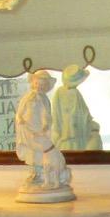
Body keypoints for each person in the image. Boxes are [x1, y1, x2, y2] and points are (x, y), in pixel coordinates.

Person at [13, 68, 71, 199]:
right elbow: (20, 112)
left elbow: (46, 114)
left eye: (43, 84)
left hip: (39, 128)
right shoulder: (27, 97)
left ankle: (43, 174)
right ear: (33, 83)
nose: (39, 86)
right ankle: (35, 173)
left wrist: (45, 125)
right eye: (37, 83)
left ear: (46, 87)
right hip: (27, 127)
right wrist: (20, 119)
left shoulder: (44, 99)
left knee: (42, 150)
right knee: (31, 151)